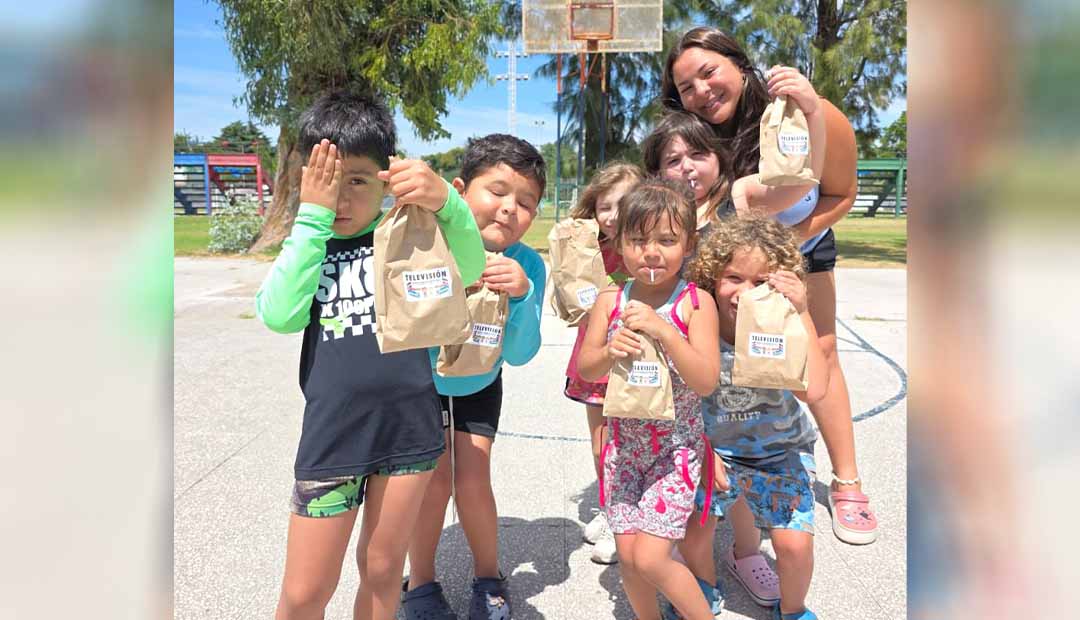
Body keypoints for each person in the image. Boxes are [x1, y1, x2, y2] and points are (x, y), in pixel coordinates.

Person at [255, 91, 486, 620]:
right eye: (327, 180)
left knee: (382, 570)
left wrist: (446, 203)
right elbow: (279, 314)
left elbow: (470, 269)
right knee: (305, 591)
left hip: (410, 433)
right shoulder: (311, 243)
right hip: (333, 437)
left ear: (386, 179)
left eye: (357, 180)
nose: (340, 196)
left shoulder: (407, 236)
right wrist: (310, 220)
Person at [662, 27, 879, 561]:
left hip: (803, 243)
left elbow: (840, 192)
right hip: (732, 258)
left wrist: (789, 244)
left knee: (819, 350)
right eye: (686, 87)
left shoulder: (805, 112)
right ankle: (725, 465)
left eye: (709, 72)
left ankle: (847, 481)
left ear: (739, 64)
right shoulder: (697, 141)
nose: (701, 91)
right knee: (724, 356)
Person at [403, 134, 548, 620]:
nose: (509, 209)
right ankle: (420, 581)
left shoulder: (528, 265)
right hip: (420, 383)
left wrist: (523, 296)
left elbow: (522, 354)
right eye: (498, 191)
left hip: (480, 383)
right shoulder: (427, 242)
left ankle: (488, 576)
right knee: (432, 482)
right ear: (460, 191)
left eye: (525, 202)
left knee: (472, 478)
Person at [577, 179, 722, 620]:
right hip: (623, 452)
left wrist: (665, 332)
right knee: (629, 557)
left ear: (689, 244)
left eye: (667, 240)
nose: (652, 252)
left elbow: (706, 381)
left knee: (652, 558)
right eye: (639, 240)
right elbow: (587, 369)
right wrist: (609, 350)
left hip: (675, 453)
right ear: (619, 243)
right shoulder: (610, 300)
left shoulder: (696, 302)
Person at [682, 215, 830, 620]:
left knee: (795, 547)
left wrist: (802, 311)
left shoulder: (782, 327)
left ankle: (793, 609)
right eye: (733, 278)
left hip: (780, 452)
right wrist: (703, 451)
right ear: (712, 277)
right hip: (716, 454)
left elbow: (815, 390)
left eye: (762, 281)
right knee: (692, 537)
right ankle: (703, 592)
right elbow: (682, 402)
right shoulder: (699, 328)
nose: (745, 292)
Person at [560, 161, 643, 565]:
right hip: (595, 360)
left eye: (622, 204)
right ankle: (611, 507)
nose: (611, 215)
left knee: (630, 445)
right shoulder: (586, 251)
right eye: (603, 206)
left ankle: (628, 516)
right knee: (601, 444)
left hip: (636, 365)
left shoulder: (648, 252)